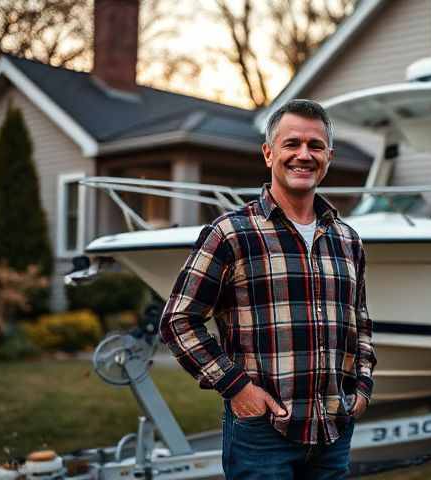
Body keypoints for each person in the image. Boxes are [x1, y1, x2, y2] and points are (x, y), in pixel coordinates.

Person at [159, 99, 376, 480]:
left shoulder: (348, 240)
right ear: (268, 153)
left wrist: (362, 387)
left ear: (329, 156)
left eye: (316, 146)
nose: (304, 155)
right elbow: (178, 321)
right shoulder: (231, 233)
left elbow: (359, 321)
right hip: (263, 433)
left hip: (334, 428)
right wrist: (237, 388)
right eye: (292, 144)